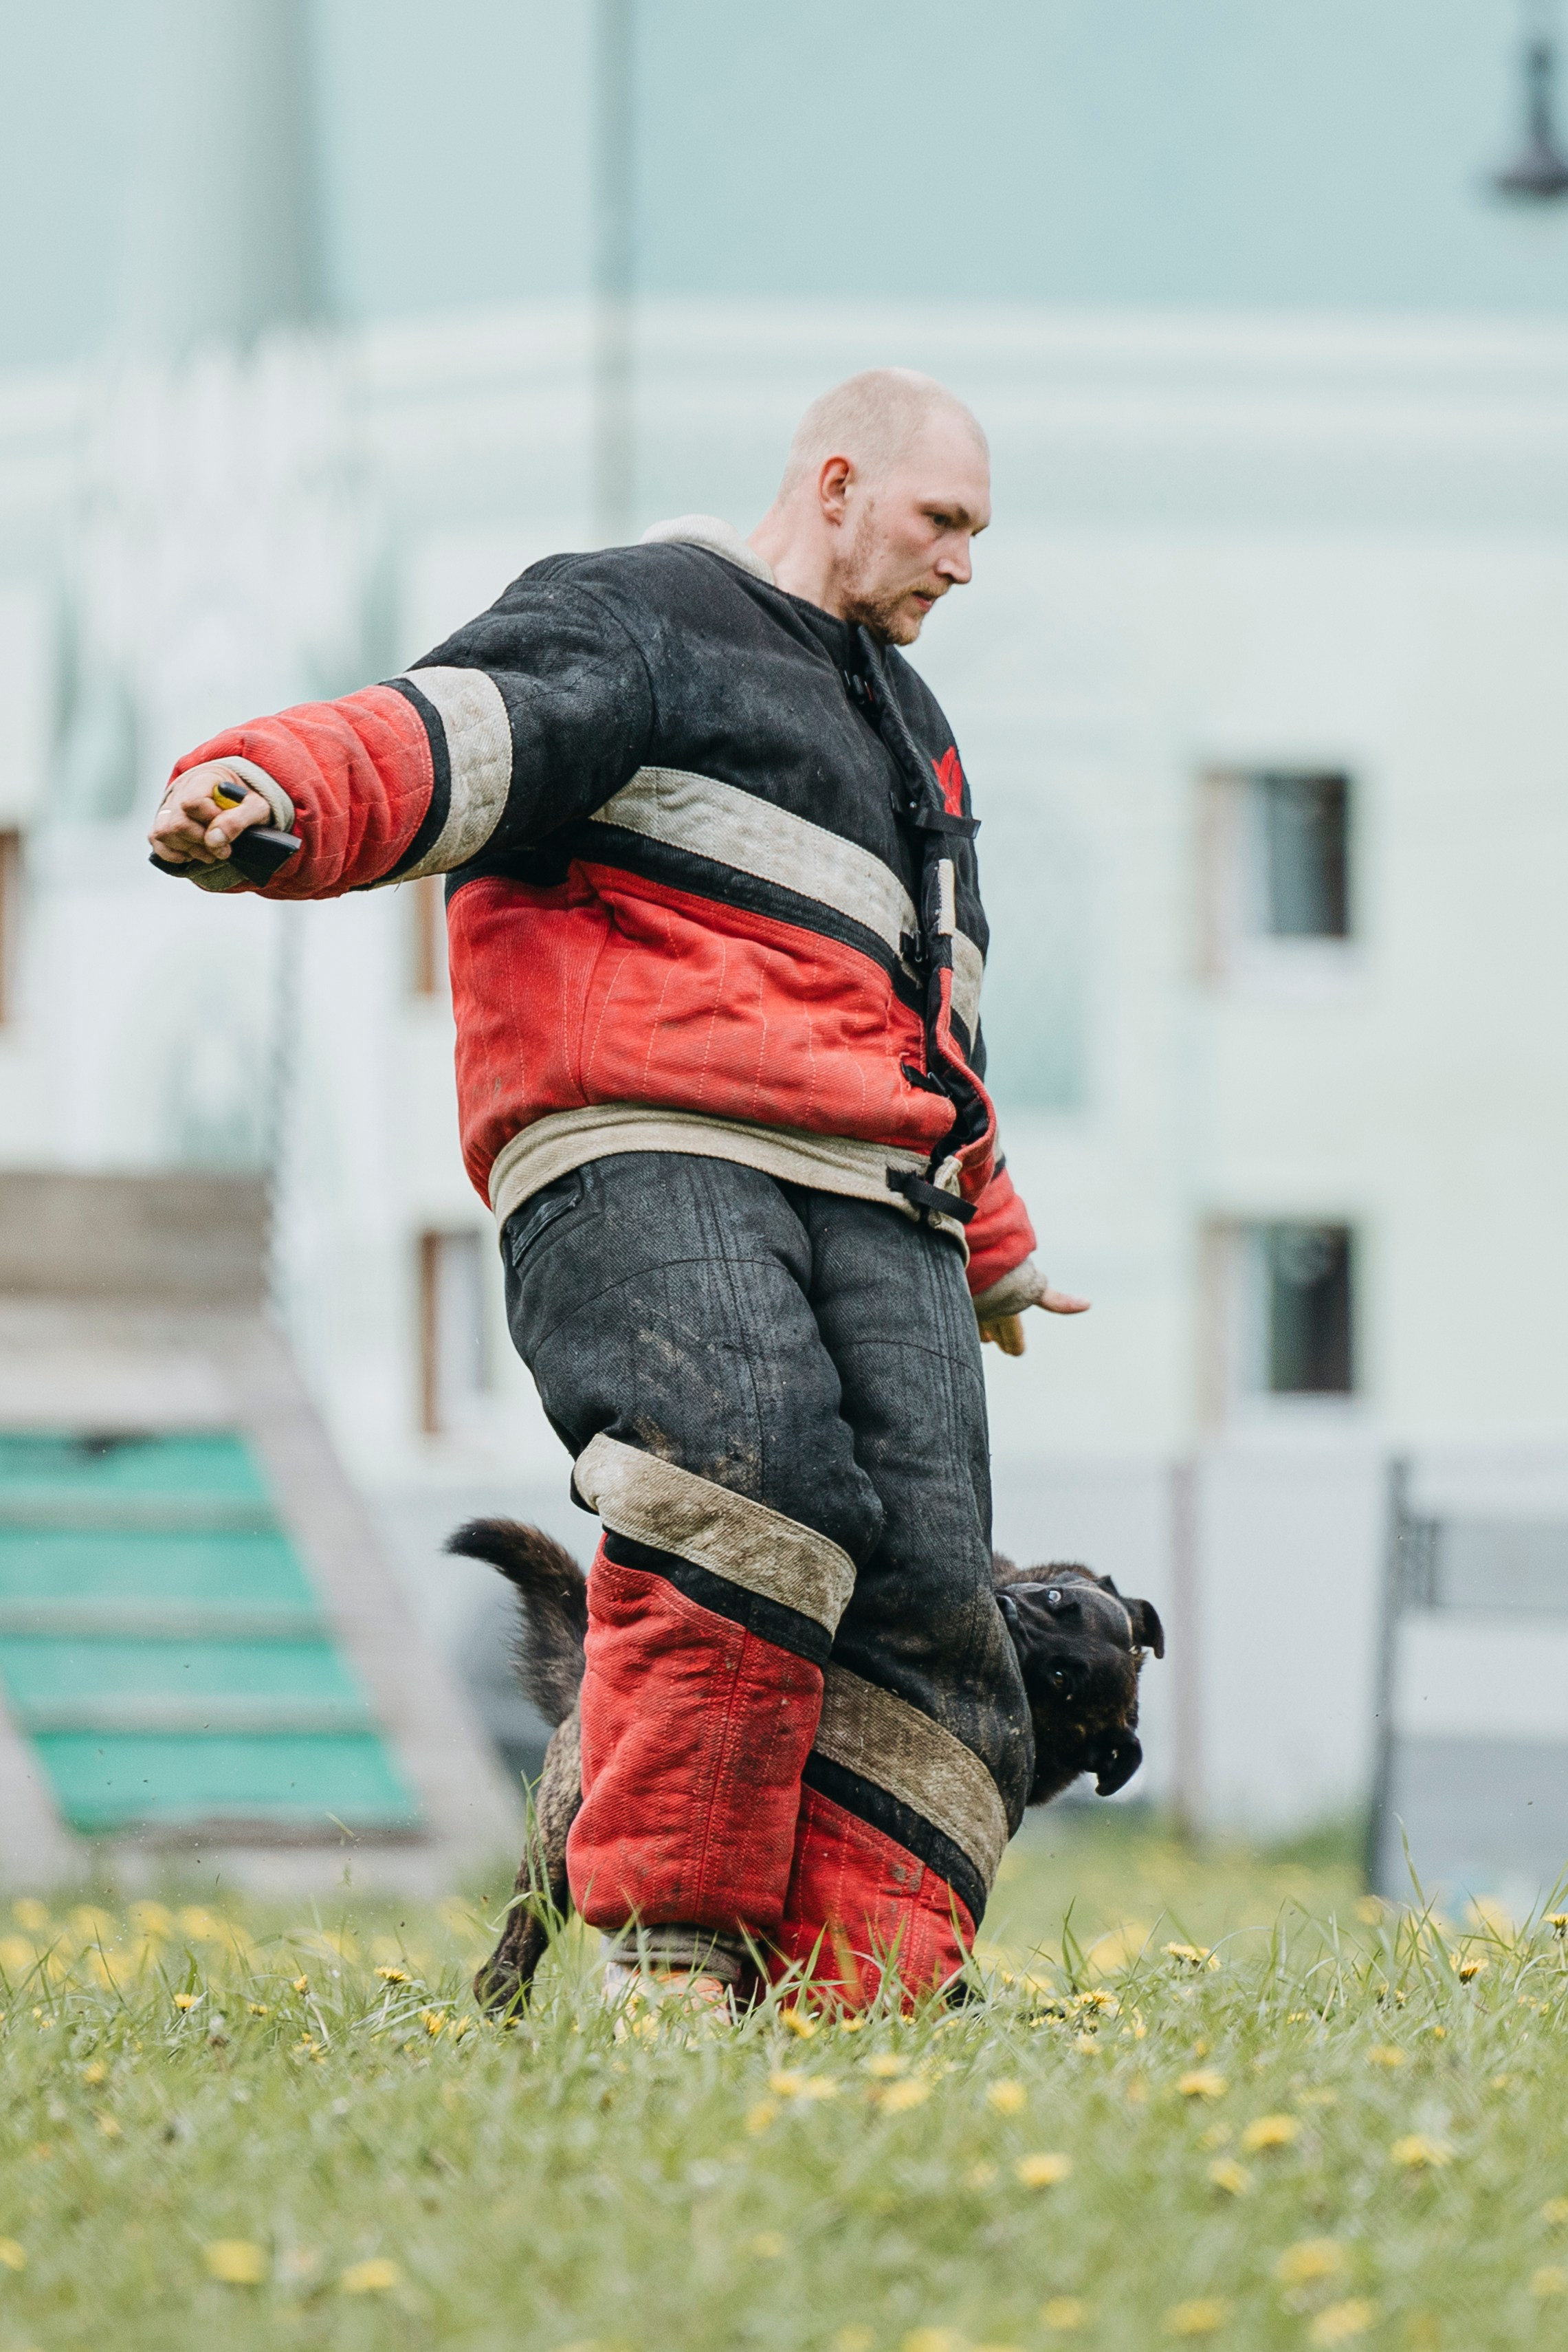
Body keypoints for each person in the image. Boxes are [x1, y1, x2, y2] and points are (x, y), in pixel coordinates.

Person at [149, 368, 1089, 2010]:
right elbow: (452, 730)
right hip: (647, 1133)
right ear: (839, 481)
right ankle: (671, 1964)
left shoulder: (909, 728)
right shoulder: (635, 616)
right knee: (748, 1486)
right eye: (944, 522)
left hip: (875, 1182)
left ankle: (861, 2000)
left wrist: (994, 1251)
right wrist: (274, 796)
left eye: (978, 533)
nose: (963, 562)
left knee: (937, 1583)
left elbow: (934, 1007)